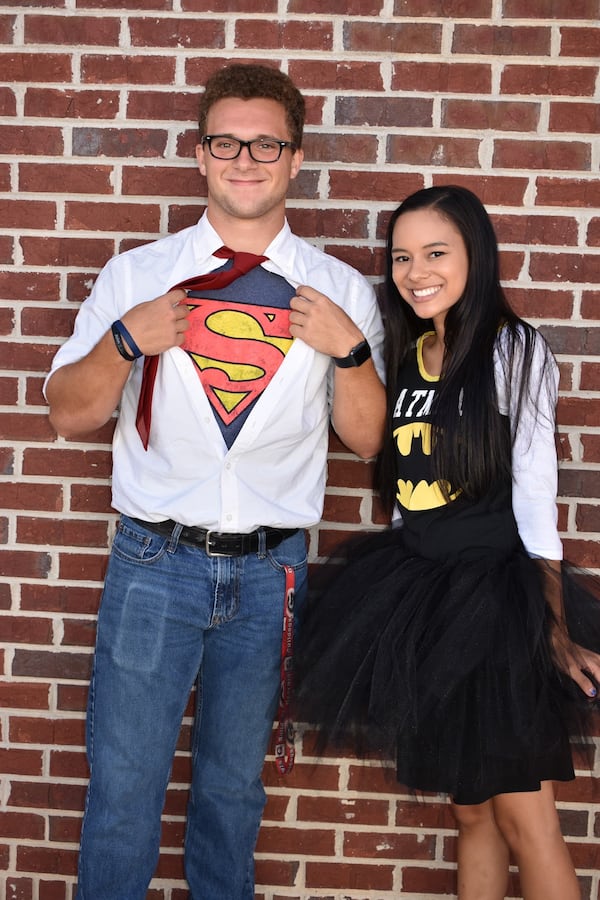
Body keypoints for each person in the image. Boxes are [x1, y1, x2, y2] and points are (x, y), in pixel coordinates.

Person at [44, 63, 386, 899]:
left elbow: (371, 440)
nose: (245, 158)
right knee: (124, 797)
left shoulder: (339, 290)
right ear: (200, 154)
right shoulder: (138, 276)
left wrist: (351, 351)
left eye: (265, 142)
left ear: (295, 159)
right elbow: (66, 413)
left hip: (272, 579)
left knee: (234, 798)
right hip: (154, 570)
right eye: (226, 141)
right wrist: (126, 341)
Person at [295, 185, 600, 900]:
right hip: (425, 602)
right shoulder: (409, 349)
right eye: (401, 257)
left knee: (530, 819)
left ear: (477, 257)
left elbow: (534, 496)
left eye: (436, 253)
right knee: (469, 813)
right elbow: (408, 492)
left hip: (499, 606)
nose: (415, 271)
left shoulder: (513, 349)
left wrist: (552, 627)